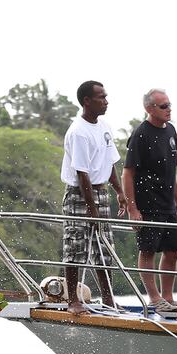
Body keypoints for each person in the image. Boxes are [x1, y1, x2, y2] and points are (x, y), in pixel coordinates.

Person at [61, 80, 126, 316]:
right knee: (76, 246)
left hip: (101, 192)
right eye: (101, 97)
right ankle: (73, 300)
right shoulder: (78, 132)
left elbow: (110, 161)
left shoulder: (104, 126)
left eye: (106, 96)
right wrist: (91, 208)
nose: (106, 101)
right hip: (80, 194)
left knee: (105, 248)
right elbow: (82, 172)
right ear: (87, 101)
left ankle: (108, 298)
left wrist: (119, 191)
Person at [122, 89, 177, 313]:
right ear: (149, 109)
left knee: (173, 250)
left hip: (167, 203)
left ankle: (168, 297)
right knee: (148, 250)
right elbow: (127, 173)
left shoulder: (170, 130)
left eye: (170, 105)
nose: (169, 109)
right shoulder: (141, 134)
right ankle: (154, 298)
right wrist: (133, 208)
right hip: (147, 203)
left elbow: (173, 170)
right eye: (163, 106)